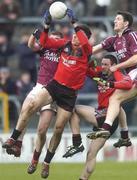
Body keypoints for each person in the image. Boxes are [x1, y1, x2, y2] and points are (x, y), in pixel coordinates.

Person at [2, 9, 92, 178]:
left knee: (58, 129)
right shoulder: (65, 44)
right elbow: (44, 42)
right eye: (74, 34)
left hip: (69, 94)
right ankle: (14, 139)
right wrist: (46, 25)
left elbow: (83, 41)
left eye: (78, 35)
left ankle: (47, 162)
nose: (74, 36)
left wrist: (75, 22)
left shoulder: (87, 50)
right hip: (55, 85)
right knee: (30, 106)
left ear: (85, 38)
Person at [87, 11, 137, 140]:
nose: (115, 21)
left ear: (126, 23)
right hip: (131, 74)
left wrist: (116, 66)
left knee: (115, 98)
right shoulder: (114, 39)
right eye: (115, 19)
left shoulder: (132, 35)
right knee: (116, 101)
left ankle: (105, 129)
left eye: (118, 19)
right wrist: (78, 52)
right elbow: (93, 49)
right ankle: (124, 136)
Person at [5, 29, 63, 173]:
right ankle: (17, 143)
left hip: (52, 91)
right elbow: (30, 45)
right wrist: (35, 32)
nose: (54, 40)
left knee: (41, 130)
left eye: (57, 38)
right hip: (39, 87)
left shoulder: (64, 53)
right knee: (24, 111)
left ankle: (35, 159)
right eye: (52, 38)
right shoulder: (45, 48)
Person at [63, 54, 133, 158]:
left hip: (107, 117)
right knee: (90, 154)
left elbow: (128, 84)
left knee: (73, 109)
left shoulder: (116, 73)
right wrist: (88, 64)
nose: (103, 66)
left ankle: (77, 143)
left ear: (113, 65)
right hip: (103, 117)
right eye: (102, 64)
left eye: (106, 64)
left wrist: (109, 84)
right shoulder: (100, 74)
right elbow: (87, 71)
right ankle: (83, 175)